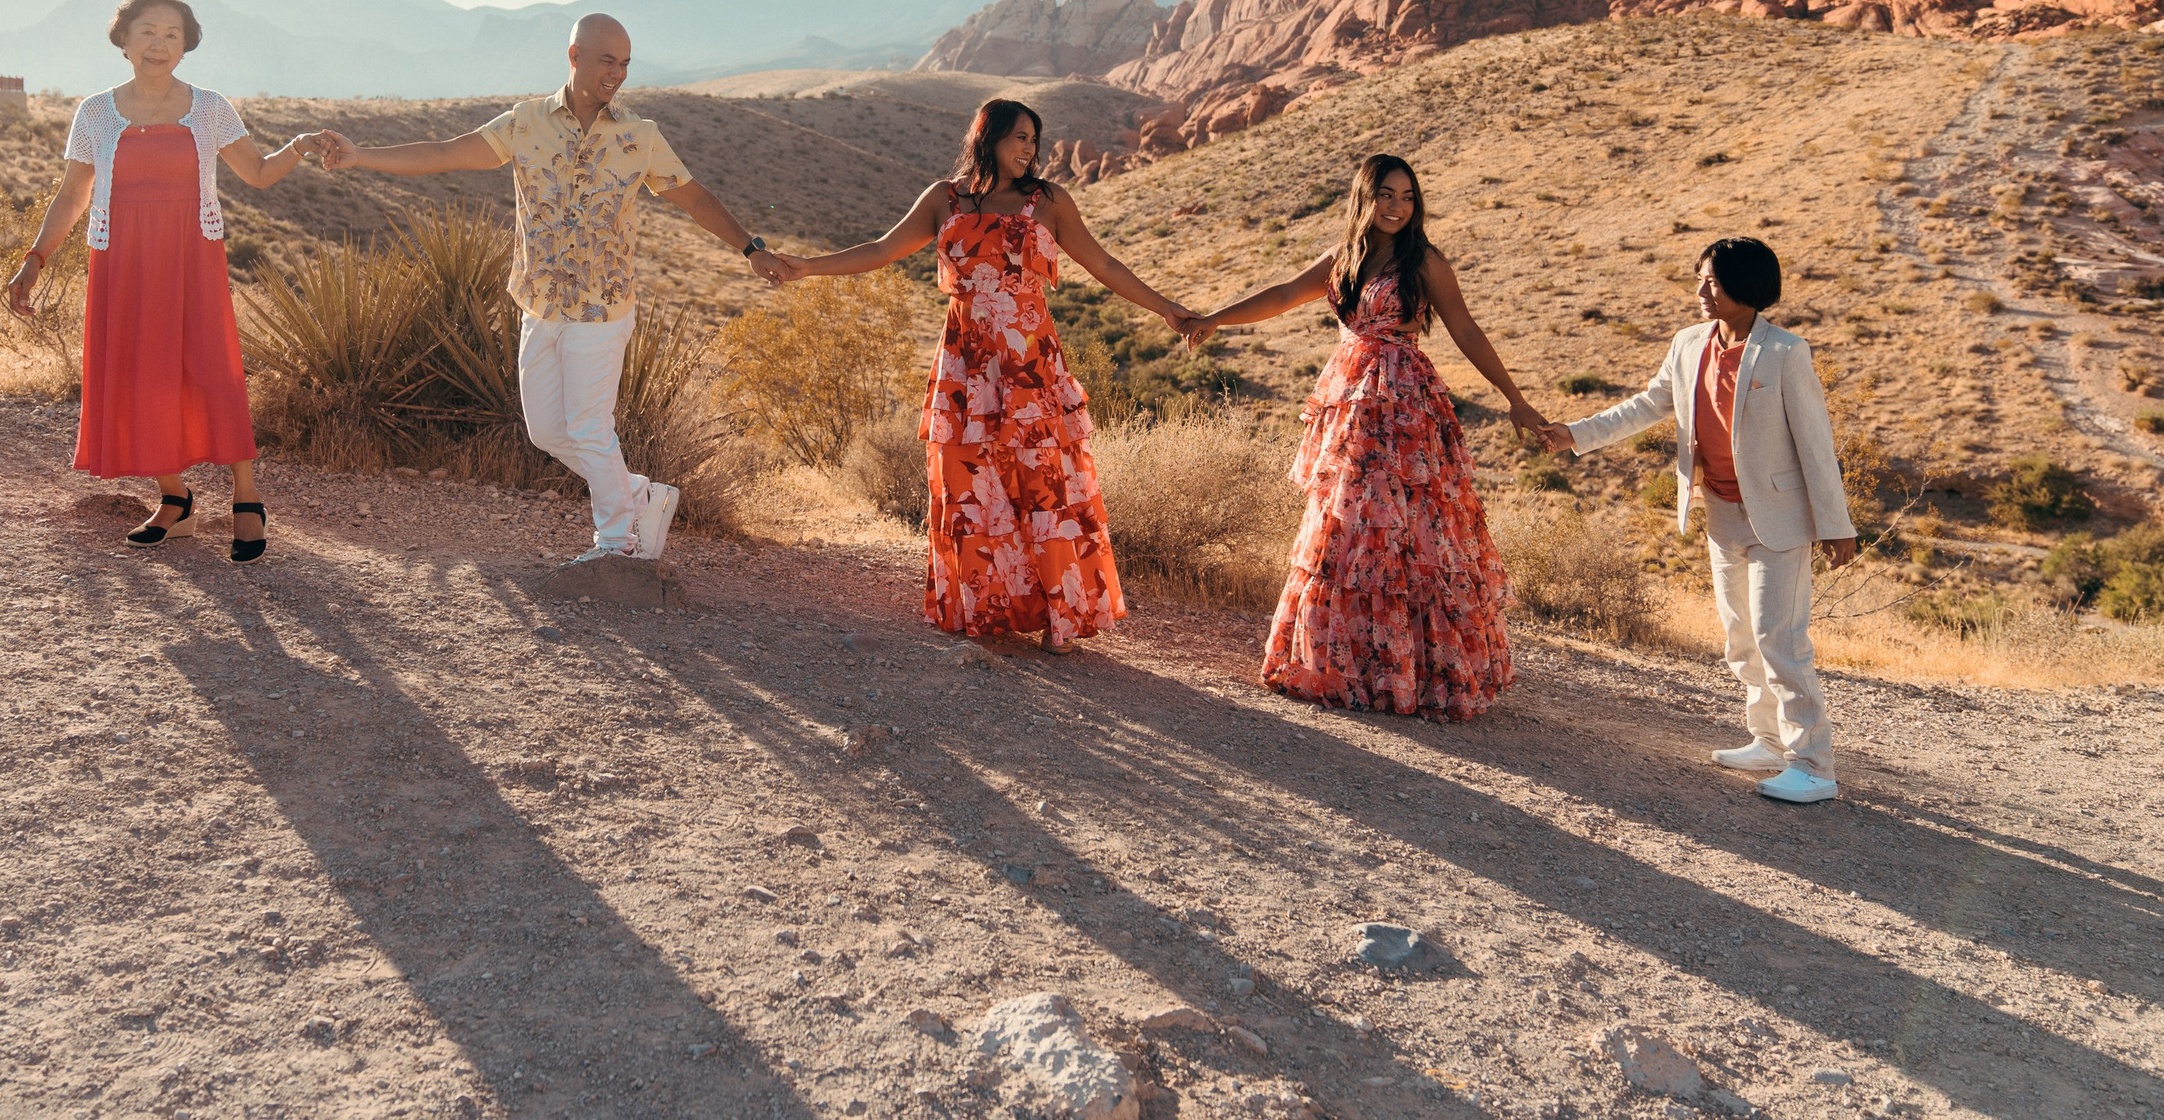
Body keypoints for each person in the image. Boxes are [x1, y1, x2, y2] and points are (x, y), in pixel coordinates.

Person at [310, 13, 784, 561]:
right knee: (547, 433)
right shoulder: (526, 122)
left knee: (588, 426)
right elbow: (445, 152)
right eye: (608, 60)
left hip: (603, 308)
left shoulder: (640, 136)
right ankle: (638, 493)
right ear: (575, 56)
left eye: (626, 63)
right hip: (539, 302)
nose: (618, 74)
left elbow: (694, 197)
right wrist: (360, 154)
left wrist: (751, 250)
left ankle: (617, 544)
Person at [762, 99, 1191, 654]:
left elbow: (1103, 265)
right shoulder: (944, 199)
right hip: (966, 363)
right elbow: (883, 249)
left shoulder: (1049, 201)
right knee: (969, 484)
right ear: (987, 138)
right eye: (1019, 138)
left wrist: (1168, 310)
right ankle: (985, 607)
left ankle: (1060, 617)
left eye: (1034, 140)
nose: (1029, 150)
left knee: (1043, 482)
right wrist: (807, 267)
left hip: (1031, 363)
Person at [1181, 154, 1542, 719]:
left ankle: (1414, 675)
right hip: (1350, 403)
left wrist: (1515, 399)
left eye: (1407, 197)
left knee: (1409, 531)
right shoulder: (1344, 256)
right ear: (1364, 198)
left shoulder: (1424, 262)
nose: (1397, 207)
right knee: (1347, 529)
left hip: (1403, 408)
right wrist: (1213, 318)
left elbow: (1465, 328)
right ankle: (1351, 669)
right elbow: (1281, 295)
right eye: (1386, 195)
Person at [7, 0, 323, 561]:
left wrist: (298, 147)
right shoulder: (95, 113)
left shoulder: (209, 107)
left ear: (187, 45)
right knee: (138, 374)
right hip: (122, 260)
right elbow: (74, 193)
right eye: (147, 31)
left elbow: (255, 173)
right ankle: (175, 501)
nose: (159, 43)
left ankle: (246, 498)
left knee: (211, 368)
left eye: (172, 34)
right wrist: (35, 259)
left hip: (190, 256)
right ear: (123, 40)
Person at [1537, 237, 1855, 803]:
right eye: (1700, 279)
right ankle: (1767, 740)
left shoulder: (1785, 352)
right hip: (1721, 511)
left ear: (1745, 286)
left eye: (1711, 280)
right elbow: (1648, 403)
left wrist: (1836, 525)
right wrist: (1576, 435)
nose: (1700, 291)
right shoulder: (1688, 344)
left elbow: (1815, 443)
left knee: (1777, 638)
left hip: (1780, 518)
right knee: (1740, 637)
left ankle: (1815, 765)